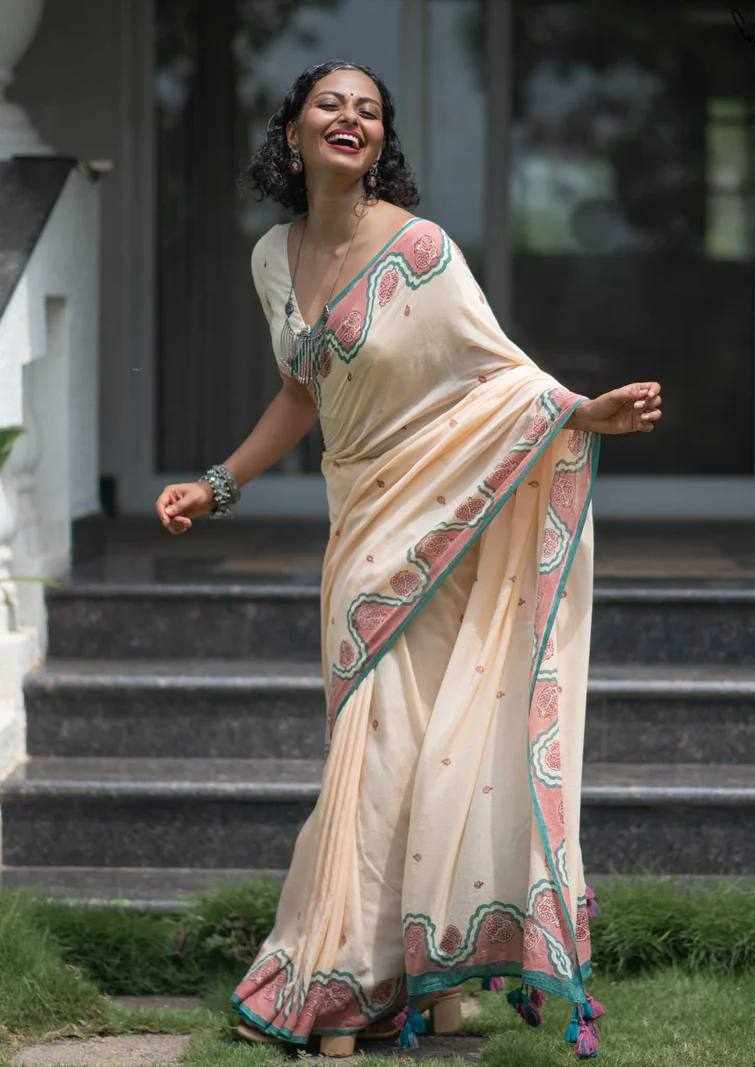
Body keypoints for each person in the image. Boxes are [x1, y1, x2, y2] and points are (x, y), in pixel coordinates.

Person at [154, 59, 662, 1060]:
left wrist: (580, 412)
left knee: (403, 744)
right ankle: (419, 983)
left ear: (381, 140)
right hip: (356, 522)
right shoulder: (272, 257)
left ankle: (347, 976)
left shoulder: (422, 253)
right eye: (329, 104)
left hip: (435, 522)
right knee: (377, 741)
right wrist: (219, 482)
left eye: (369, 110)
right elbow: (302, 392)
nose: (350, 119)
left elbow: (497, 375)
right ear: (293, 132)